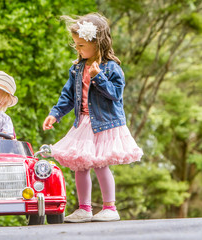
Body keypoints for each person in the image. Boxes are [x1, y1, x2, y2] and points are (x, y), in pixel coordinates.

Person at [42, 13, 143, 222]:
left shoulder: (112, 68)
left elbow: (115, 95)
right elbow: (68, 96)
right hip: (84, 123)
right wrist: (55, 113)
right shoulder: (77, 69)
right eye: (76, 45)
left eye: (81, 45)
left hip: (105, 124)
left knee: (100, 164)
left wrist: (99, 77)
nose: (77, 49)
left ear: (96, 43)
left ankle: (110, 208)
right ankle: (84, 208)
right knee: (81, 165)